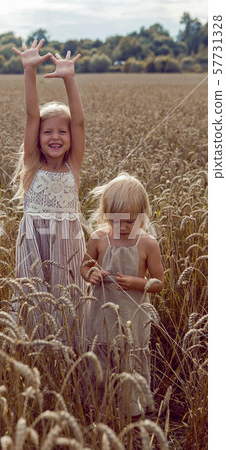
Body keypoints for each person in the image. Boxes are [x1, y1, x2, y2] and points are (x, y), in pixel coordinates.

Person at [11, 39, 87, 344]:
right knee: (35, 298)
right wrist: (29, 71)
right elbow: (32, 115)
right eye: (47, 131)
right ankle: (36, 351)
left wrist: (69, 78)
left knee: (69, 302)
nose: (55, 136)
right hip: (34, 242)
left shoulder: (73, 168)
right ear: (38, 137)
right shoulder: (32, 164)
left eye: (62, 131)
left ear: (70, 137)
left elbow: (80, 121)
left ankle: (69, 348)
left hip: (68, 243)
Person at [80, 172, 164, 420]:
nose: (123, 227)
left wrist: (138, 282)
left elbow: (159, 282)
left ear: (142, 216)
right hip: (101, 313)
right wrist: (91, 274)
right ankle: (100, 406)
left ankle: (131, 409)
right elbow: (85, 267)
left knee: (129, 358)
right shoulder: (98, 238)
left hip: (132, 316)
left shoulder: (148, 244)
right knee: (101, 358)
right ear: (105, 214)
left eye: (130, 221)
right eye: (116, 221)